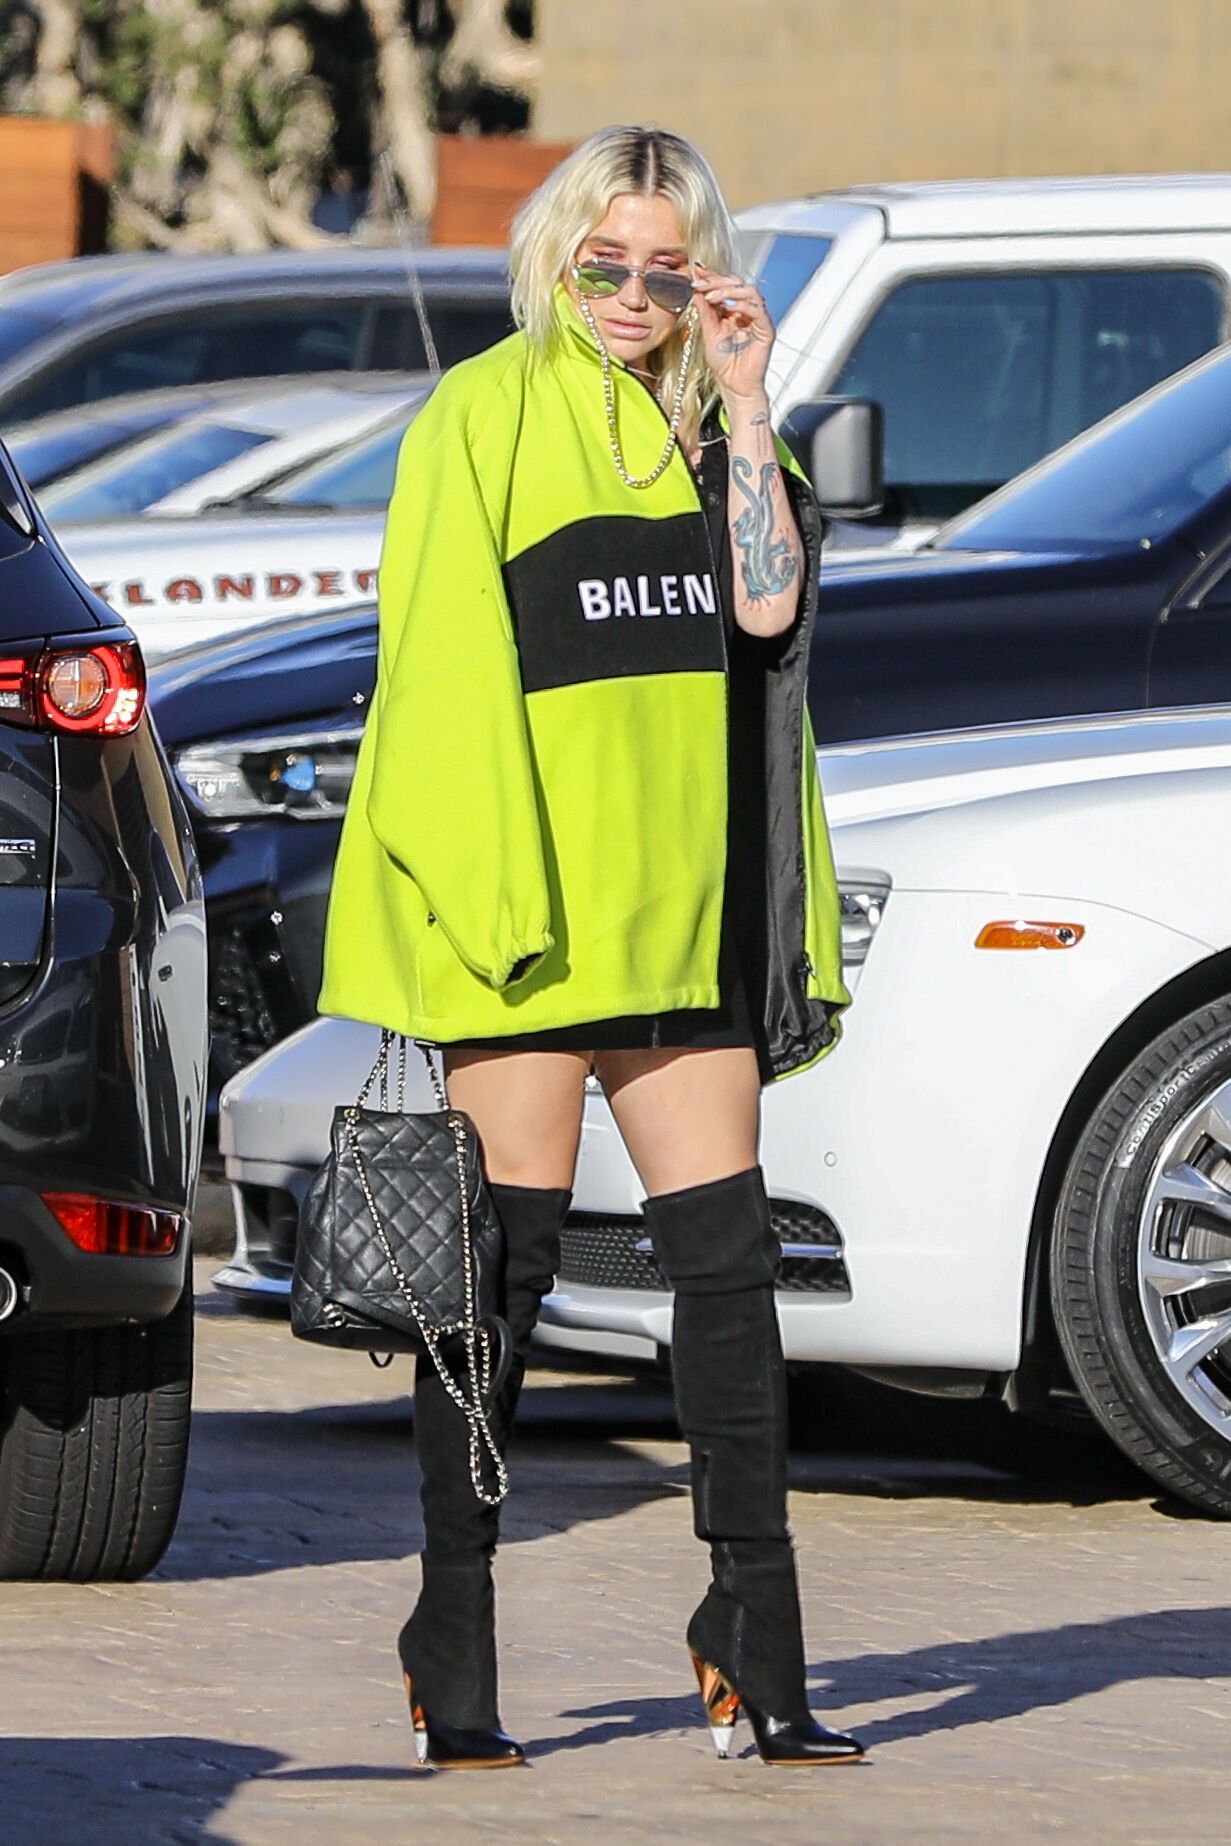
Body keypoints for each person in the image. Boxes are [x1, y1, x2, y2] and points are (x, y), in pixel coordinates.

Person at [318, 123, 863, 1771]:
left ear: (704, 278)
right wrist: (499, 913)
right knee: (497, 1288)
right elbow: (436, 676)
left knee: (731, 1280)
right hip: (532, 925)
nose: (631, 294)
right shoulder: (479, 413)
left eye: (664, 268)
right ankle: (454, 1631)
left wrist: (748, 398)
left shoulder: (712, 429)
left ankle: (755, 1630)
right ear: (557, 256)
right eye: (603, 261)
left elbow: (764, 616)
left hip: (683, 919)